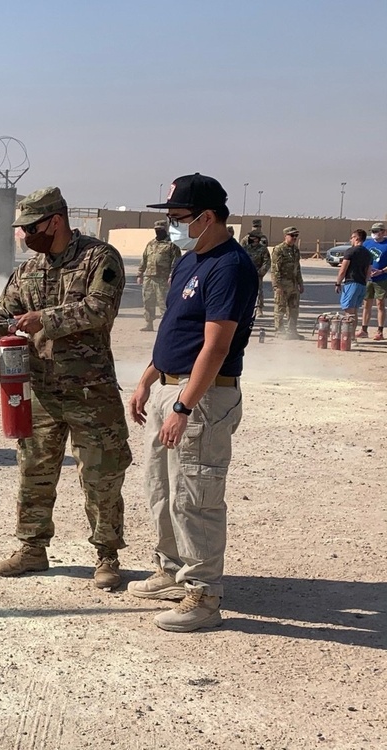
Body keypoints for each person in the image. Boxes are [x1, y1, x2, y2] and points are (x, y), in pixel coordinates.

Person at [0, 187, 131, 590]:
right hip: (42, 390)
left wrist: (43, 318)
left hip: (90, 391)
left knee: (100, 475)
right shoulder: (29, 271)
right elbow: (7, 316)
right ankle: (32, 549)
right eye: (23, 229)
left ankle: (107, 555)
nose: (26, 235)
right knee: (34, 472)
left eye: (31, 227)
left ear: (56, 221)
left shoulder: (100, 258)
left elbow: (100, 309)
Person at [127, 173, 258, 632]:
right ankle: (170, 571)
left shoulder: (230, 266)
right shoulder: (190, 259)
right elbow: (175, 328)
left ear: (207, 217)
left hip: (201, 396)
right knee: (160, 489)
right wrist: (148, 378)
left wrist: (183, 406)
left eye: (179, 218)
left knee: (195, 494)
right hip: (168, 386)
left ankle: (203, 594)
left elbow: (216, 346)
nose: (172, 227)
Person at [136, 219, 181, 331]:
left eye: (160, 230)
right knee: (148, 301)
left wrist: (172, 276)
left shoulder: (172, 245)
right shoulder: (151, 244)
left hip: (163, 278)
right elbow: (144, 259)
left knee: (164, 302)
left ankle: (167, 326)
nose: (158, 232)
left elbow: (176, 262)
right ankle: (149, 324)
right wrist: (140, 273)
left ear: (165, 230)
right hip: (149, 277)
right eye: (156, 230)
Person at [270, 226, 305, 339]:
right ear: (285, 236)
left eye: (296, 236)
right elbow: (275, 269)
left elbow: (297, 267)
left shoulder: (295, 250)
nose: (294, 238)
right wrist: (277, 286)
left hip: (293, 284)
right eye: (292, 235)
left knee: (294, 309)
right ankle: (280, 331)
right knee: (280, 308)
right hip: (283, 284)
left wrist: (300, 283)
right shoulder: (279, 249)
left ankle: (292, 331)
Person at [359, 222, 387, 340]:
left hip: (381, 279)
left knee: (380, 304)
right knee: (367, 304)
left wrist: (382, 271)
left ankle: (380, 331)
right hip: (368, 278)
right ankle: (364, 329)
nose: (374, 234)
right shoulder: (367, 244)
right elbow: (361, 259)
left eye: (376, 231)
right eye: (373, 231)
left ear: (383, 232)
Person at [335, 229, 371, 321]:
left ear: (356, 238)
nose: (351, 240)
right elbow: (368, 272)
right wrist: (364, 283)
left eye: (351, 238)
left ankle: (347, 334)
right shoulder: (368, 254)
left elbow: (343, 270)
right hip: (362, 284)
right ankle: (351, 334)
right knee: (354, 312)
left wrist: (338, 283)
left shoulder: (350, 251)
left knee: (349, 312)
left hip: (351, 283)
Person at [243, 230, 271, 317]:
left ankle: (259, 308)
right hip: (246, 274)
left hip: (257, 274)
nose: (250, 239)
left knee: (258, 291)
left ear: (256, 239)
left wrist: (260, 272)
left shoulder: (263, 249)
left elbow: (267, 262)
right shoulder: (246, 248)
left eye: (252, 237)